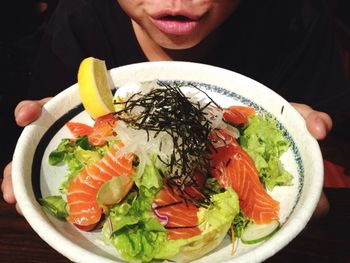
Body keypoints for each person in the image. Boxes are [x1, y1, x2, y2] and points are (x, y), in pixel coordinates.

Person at [2, 0, 349, 216]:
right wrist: (38, 140)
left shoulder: (293, 16)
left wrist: (319, 148)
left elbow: (332, 123)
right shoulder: (78, 18)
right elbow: (43, 125)